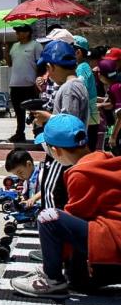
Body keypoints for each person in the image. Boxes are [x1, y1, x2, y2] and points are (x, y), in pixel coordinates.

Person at [11, 114, 121, 298]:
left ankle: (52, 280)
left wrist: (55, 258)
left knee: (49, 217)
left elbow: (70, 223)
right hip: (113, 239)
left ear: (56, 151)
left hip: (113, 241)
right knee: (77, 280)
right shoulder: (104, 157)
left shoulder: (80, 173)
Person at [28, 40, 89, 214]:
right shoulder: (78, 84)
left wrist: (47, 118)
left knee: (51, 194)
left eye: (47, 69)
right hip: (69, 152)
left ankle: (52, 228)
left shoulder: (68, 89)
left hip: (61, 153)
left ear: (51, 66)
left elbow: (68, 125)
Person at [4, 24, 43, 143]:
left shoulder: (36, 45)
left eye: (20, 32)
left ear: (27, 33)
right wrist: (5, 52)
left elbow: (40, 64)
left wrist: (38, 81)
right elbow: (10, 63)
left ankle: (38, 134)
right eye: (17, 32)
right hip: (15, 84)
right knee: (18, 112)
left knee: (35, 111)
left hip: (30, 85)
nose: (17, 34)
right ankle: (19, 133)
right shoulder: (14, 46)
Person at [72, 36, 100, 151]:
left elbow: (81, 90)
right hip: (90, 117)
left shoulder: (82, 68)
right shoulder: (85, 66)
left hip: (89, 118)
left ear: (78, 52)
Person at [97, 59, 121, 155]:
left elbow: (120, 115)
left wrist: (113, 136)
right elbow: (112, 103)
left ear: (101, 75)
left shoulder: (114, 88)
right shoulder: (116, 84)